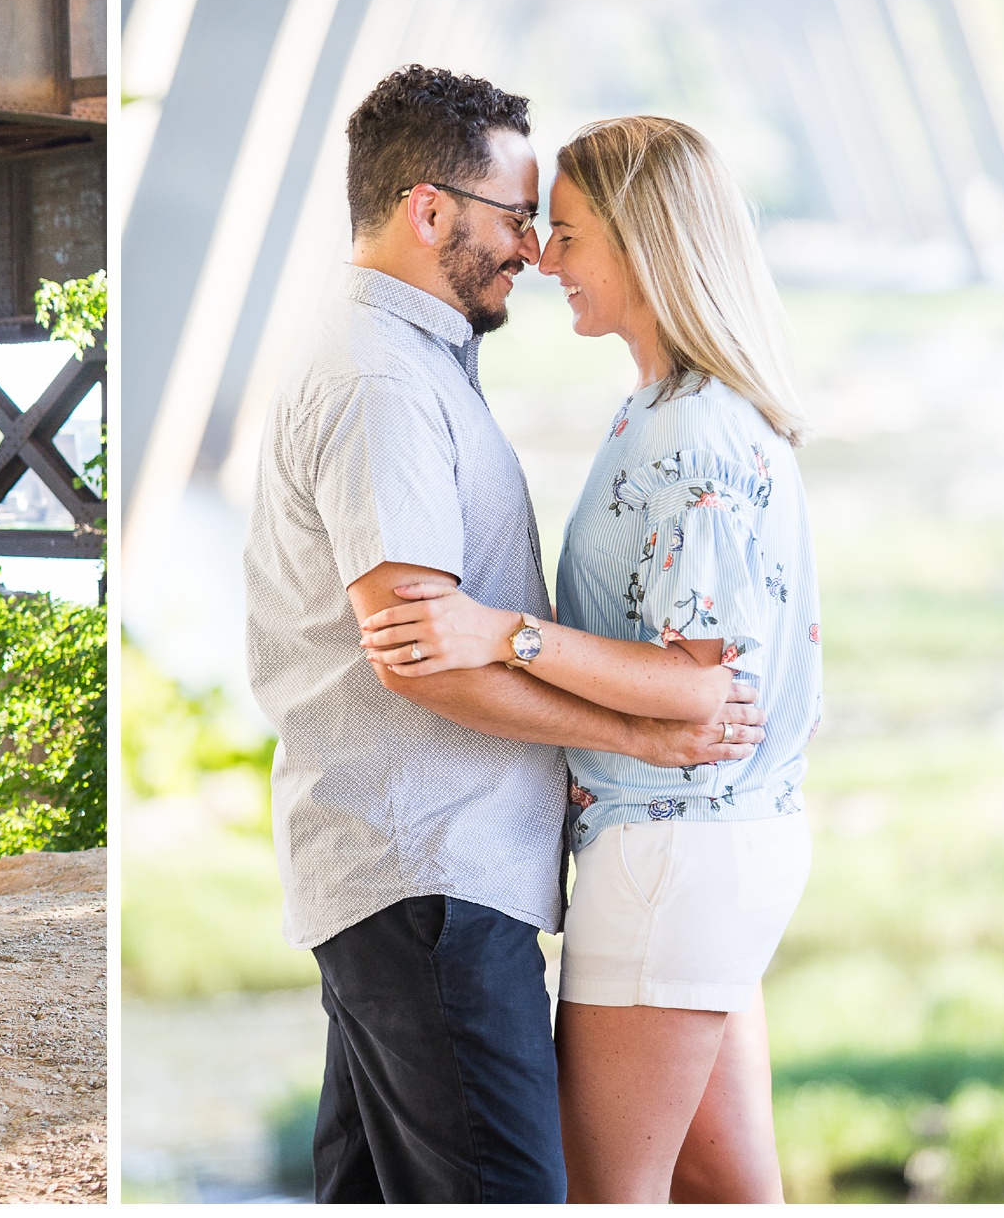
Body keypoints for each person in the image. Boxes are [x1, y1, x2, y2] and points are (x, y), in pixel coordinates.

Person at [243, 66, 767, 1203]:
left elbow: (446, 641)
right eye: (514, 218)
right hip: (429, 873)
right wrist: (632, 733)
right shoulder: (379, 380)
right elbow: (422, 663)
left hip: (426, 872)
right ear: (428, 210)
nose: (530, 249)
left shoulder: (413, 364)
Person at [357, 115, 819, 1202]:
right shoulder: (676, 410)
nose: (539, 257)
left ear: (645, 240)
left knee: (602, 1196)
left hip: (670, 853)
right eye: (537, 231)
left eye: (564, 235)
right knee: (724, 1193)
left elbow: (702, 693)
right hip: (710, 849)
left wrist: (500, 633)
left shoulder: (689, 432)